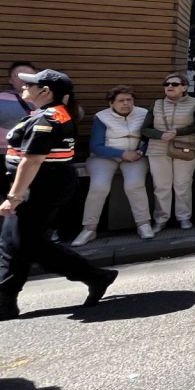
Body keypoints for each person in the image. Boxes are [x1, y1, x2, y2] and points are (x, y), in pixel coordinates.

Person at [1, 70, 117, 321]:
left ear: (46, 91)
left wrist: (14, 197)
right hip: (40, 186)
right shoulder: (43, 114)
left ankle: (95, 276)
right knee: (17, 242)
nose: (23, 86)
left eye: (31, 84)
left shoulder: (49, 119)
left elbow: (31, 161)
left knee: (21, 243)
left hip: (41, 188)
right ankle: (6, 299)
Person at [76, 85, 153, 245]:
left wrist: (139, 152)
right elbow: (96, 146)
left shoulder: (144, 114)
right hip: (104, 157)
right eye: (121, 100)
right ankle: (89, 229)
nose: (126, 103)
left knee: (134, 185)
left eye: (129, 100)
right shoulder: (102, 117)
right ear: (111, 104)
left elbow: (149, 138)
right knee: (99, 186)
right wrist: (121, 154)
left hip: (135, 156)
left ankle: (143, 224)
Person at [142, 72, 195, 232]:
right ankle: (161, 219)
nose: (169, 87)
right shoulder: (157, 104)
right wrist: (160, 135)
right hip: (158, 149)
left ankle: (184, 217)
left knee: (182, 184)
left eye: (174, 84)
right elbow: (145, 128)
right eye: (167, 84)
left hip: (185, 148)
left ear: (184, 87)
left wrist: (179, 132)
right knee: (161, 186)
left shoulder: (194, 103)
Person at [0, 61, 35, 162]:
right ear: (10, 80)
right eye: (18, 76)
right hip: (5, 153)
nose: (24, 79)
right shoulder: (1, 98)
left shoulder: (46, 99)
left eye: (29, 76)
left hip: (36, 154)